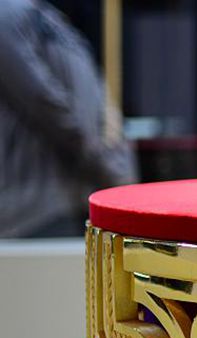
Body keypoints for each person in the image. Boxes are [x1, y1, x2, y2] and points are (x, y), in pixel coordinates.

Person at [0, 0, 136, 238]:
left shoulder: (52, 20)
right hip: (33, 213)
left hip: (74, 200)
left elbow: (92, 104)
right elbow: (43, 101)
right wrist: (111, 171)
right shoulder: (10, 16)